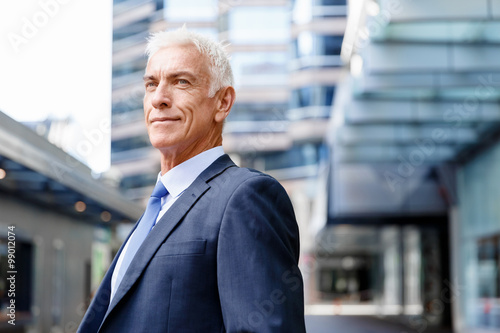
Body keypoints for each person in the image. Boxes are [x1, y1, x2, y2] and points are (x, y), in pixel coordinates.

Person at [77, 27, 306, 333]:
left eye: (181, 81)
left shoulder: (246, 197)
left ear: (222, 103)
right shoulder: (155, 211)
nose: (158, 98)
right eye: (151, 84)